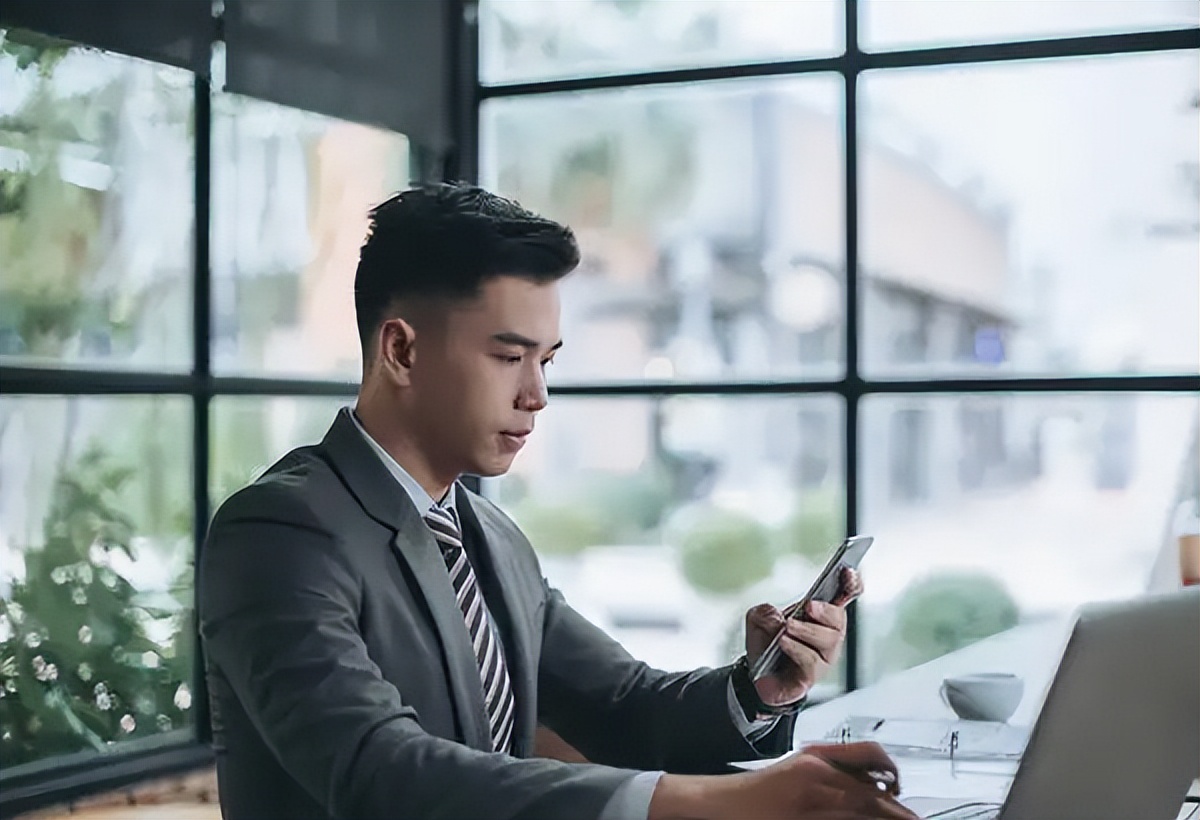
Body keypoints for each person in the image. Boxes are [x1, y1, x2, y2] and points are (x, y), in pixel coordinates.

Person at [197, 183, 916, 820]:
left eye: (547, 361)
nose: (537, 396)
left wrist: (758, 690)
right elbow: (379, 772)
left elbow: (624, 705)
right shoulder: (278, 532)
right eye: (509, 357)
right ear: (402, 351)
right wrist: (724, 803)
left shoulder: (492, 536)